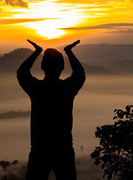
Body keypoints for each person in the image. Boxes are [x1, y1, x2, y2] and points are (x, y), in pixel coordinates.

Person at [17, 39, 85, 180]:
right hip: (63, 149)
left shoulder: (37, 89)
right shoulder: (67, 89)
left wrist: (37, 52)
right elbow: (80, 74)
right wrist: (69, 52)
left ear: (42, 66)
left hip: (39, 150)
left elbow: (22, 73)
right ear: (62, 67)